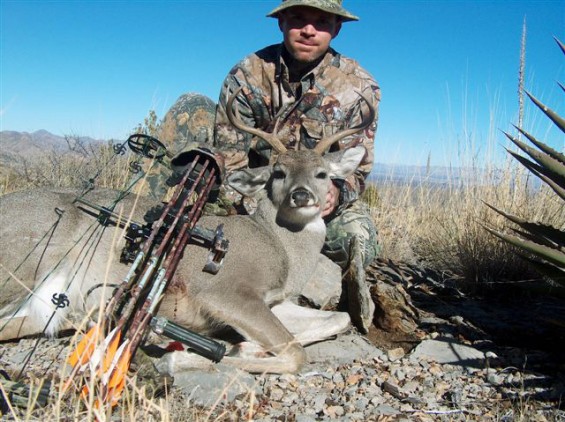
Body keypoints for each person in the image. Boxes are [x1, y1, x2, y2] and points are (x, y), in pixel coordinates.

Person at [213, 0, 381, 332]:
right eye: (298, 19)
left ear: (337, 28)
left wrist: (337, 191)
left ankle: (345, 298)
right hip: (265, 192)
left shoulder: (358, 86)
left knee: (357, 240)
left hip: (319, 195)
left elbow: (357, 167)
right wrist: (259, 209)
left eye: (321, 22)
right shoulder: (248, 73)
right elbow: (231, 162)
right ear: (281, 23)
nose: (308, 29)